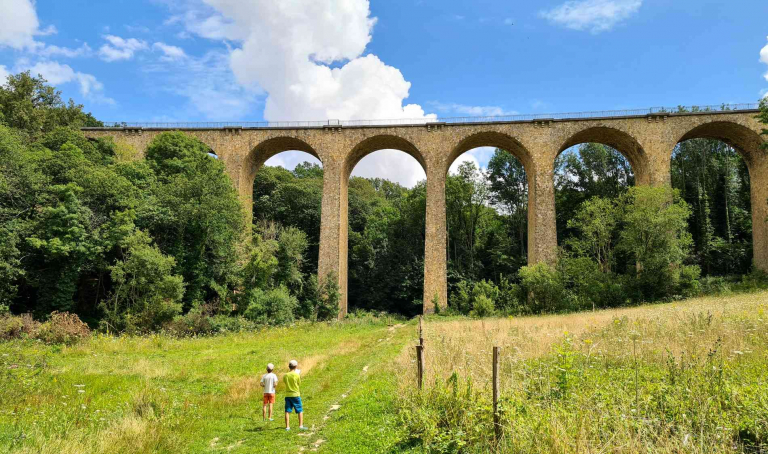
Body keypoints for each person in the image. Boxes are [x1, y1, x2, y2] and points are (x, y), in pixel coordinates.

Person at [283, 359, 306, 431]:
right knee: (300, 410)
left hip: (288, 395)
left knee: (287, 411)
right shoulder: (297, 375)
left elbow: (285, 382)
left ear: (289, 366)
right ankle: (301, 426)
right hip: (295, 394)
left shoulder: (286, 375)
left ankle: (287, 427)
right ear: (296, 366)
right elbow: (299, 383)